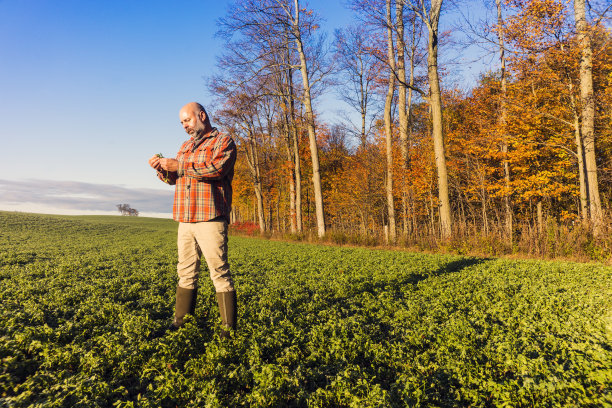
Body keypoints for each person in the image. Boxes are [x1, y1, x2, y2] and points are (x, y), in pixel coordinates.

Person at [148, 102, 237, 337]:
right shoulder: (185, 146)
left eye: (187, 121)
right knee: (185, 271)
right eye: (182, 123)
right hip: (185, 218)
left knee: (219, 272)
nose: (185, 126)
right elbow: (176, 178)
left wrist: (180, 166)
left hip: (210, 217)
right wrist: (162, 170)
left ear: (202, 116)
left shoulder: (223, 141)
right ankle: (180, 322)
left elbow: (216, 169)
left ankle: (228, 330)